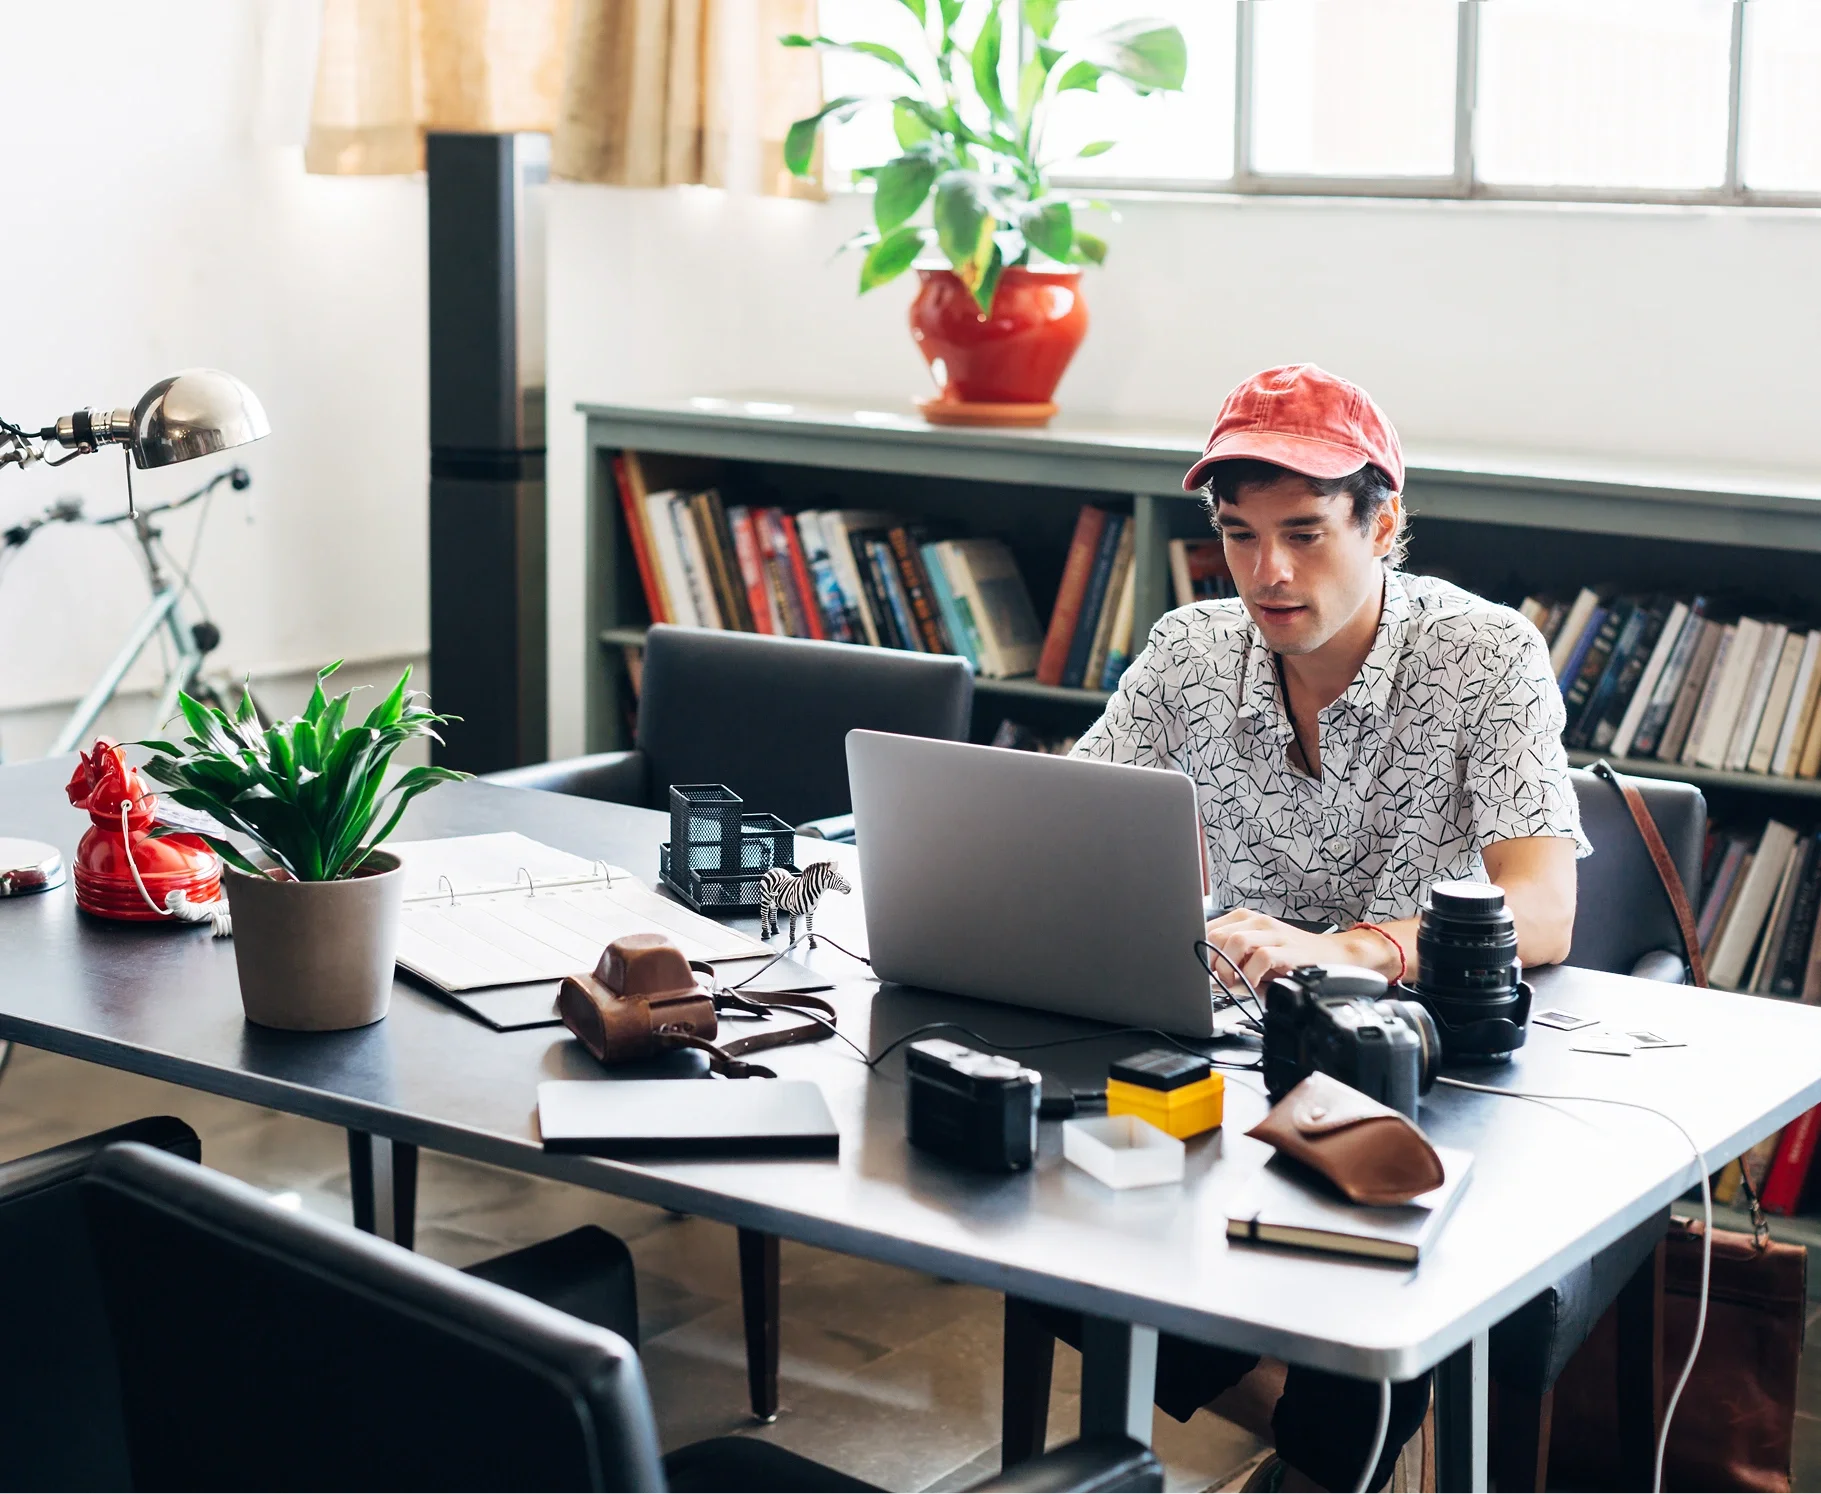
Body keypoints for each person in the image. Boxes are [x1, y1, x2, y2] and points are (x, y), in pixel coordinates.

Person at [1067, 364, 1589, 1494]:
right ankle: (1310, 1433)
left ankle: (1321, 1450)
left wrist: (1353, 948)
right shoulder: (1189, 651)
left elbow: (1544, 907)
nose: (1269, 572)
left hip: (1421, 1067)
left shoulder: (1485, 654)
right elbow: (1072, 825)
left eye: (1304, 532)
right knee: (1038, 1205)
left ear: (1384, 521)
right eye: (1239, 535)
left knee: (1363, 1264)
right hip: (1235, 1043)